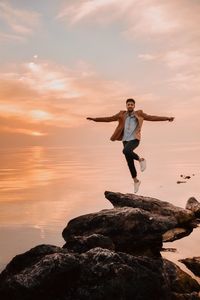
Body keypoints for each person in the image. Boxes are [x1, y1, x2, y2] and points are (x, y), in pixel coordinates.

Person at [87, 98, 174, 193]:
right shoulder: (121, 114)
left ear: (134, 106)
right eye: (128, 104)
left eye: (132, 104)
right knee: (129, 161)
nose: (130, 106)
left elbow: (153, 118)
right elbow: (108, 119)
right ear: (126, 106)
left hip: (135, 139)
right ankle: (136, 181)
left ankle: (140, 159)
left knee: (126, 151)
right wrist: (95, 119)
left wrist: (167, 118)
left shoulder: (140, 114)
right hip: (125, 140)